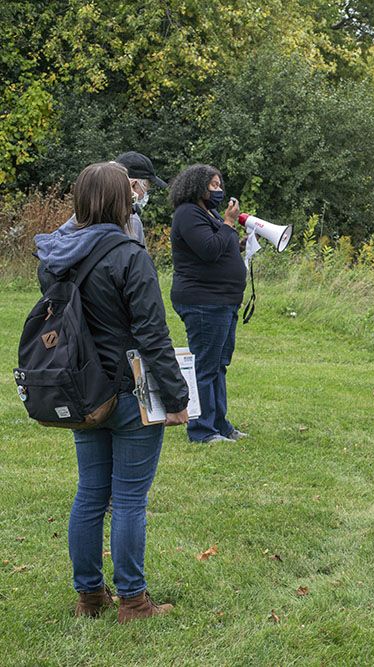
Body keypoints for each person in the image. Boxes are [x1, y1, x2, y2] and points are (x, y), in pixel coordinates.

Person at [34, 162, 188, 623]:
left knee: (89, 495)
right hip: (129, 390)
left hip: (83, 391)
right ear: (123, 200)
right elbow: (152, 334)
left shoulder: (56, 253)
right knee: (128, 500)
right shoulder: (129, 254)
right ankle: (135, 601)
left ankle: (89, 596)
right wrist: (178, 399)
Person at [169, 164, 247, 444]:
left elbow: (219, 243)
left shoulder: (208, 213)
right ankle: (201, 430)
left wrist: (241, 243)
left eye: (219, 185)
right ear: (196, 187)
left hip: (223, 301)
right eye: (213, 186)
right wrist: (228, 223)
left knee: (218, 365)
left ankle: (219, 424)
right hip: (203, 300)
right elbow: (209, 250)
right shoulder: (188, 213)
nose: (219, 190)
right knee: (205, 365)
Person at [63, 152, 168, 247]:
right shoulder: (130, 220)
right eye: (146, 187)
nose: (145, 194)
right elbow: (137, 264)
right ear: (133, 184)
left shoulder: (85, 213)